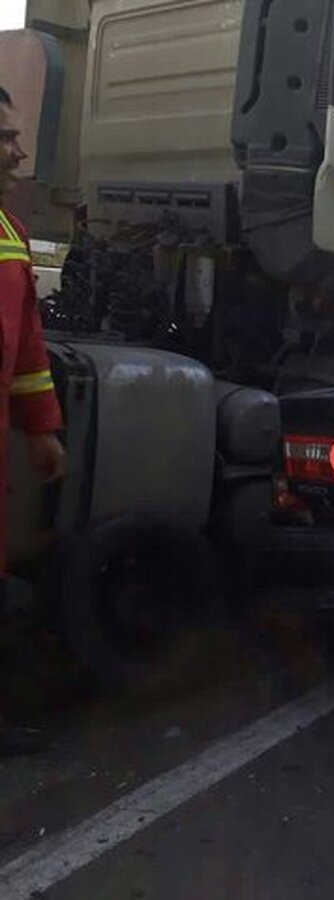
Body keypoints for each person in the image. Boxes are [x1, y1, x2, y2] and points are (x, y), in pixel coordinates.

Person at [0, 86, 67, 756]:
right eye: (5, 136)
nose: (18, 149)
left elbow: (26, 349)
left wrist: (41, 427)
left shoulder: (9, 233)